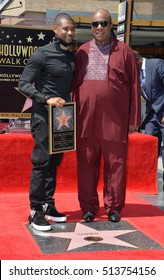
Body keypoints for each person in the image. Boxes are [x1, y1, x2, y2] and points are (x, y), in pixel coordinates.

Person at [73, 9, 141, 223]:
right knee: (86, 164)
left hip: (115, 121)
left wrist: (134, 119)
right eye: (95, 24)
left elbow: (135, 88)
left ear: (111, 25)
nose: (99, 27)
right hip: (86, 120)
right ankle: (88, 207)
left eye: (103, 23)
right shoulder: (82, 51)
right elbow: (74, 86)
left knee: (116, 165)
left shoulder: (125, 52)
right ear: (91, 27)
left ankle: (113, 208)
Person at [18, 13, 75, 231]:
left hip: (63, 119)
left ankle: (48, 204)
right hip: (43, 117)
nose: (69, 33)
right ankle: (35, 211)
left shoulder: (71, 56)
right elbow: (23, 83)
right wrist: (46, 99)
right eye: (65, 29)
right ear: (55, 29)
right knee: (41, 163)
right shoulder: (41, 54)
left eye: (72, 29)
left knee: (54, 163)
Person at [134, 50, 164, 187]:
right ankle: (148, 182)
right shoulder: (136, 74)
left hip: (163, 111)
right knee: (150, 145)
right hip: (151, 114)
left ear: (138, 60)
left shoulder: (157, 64)